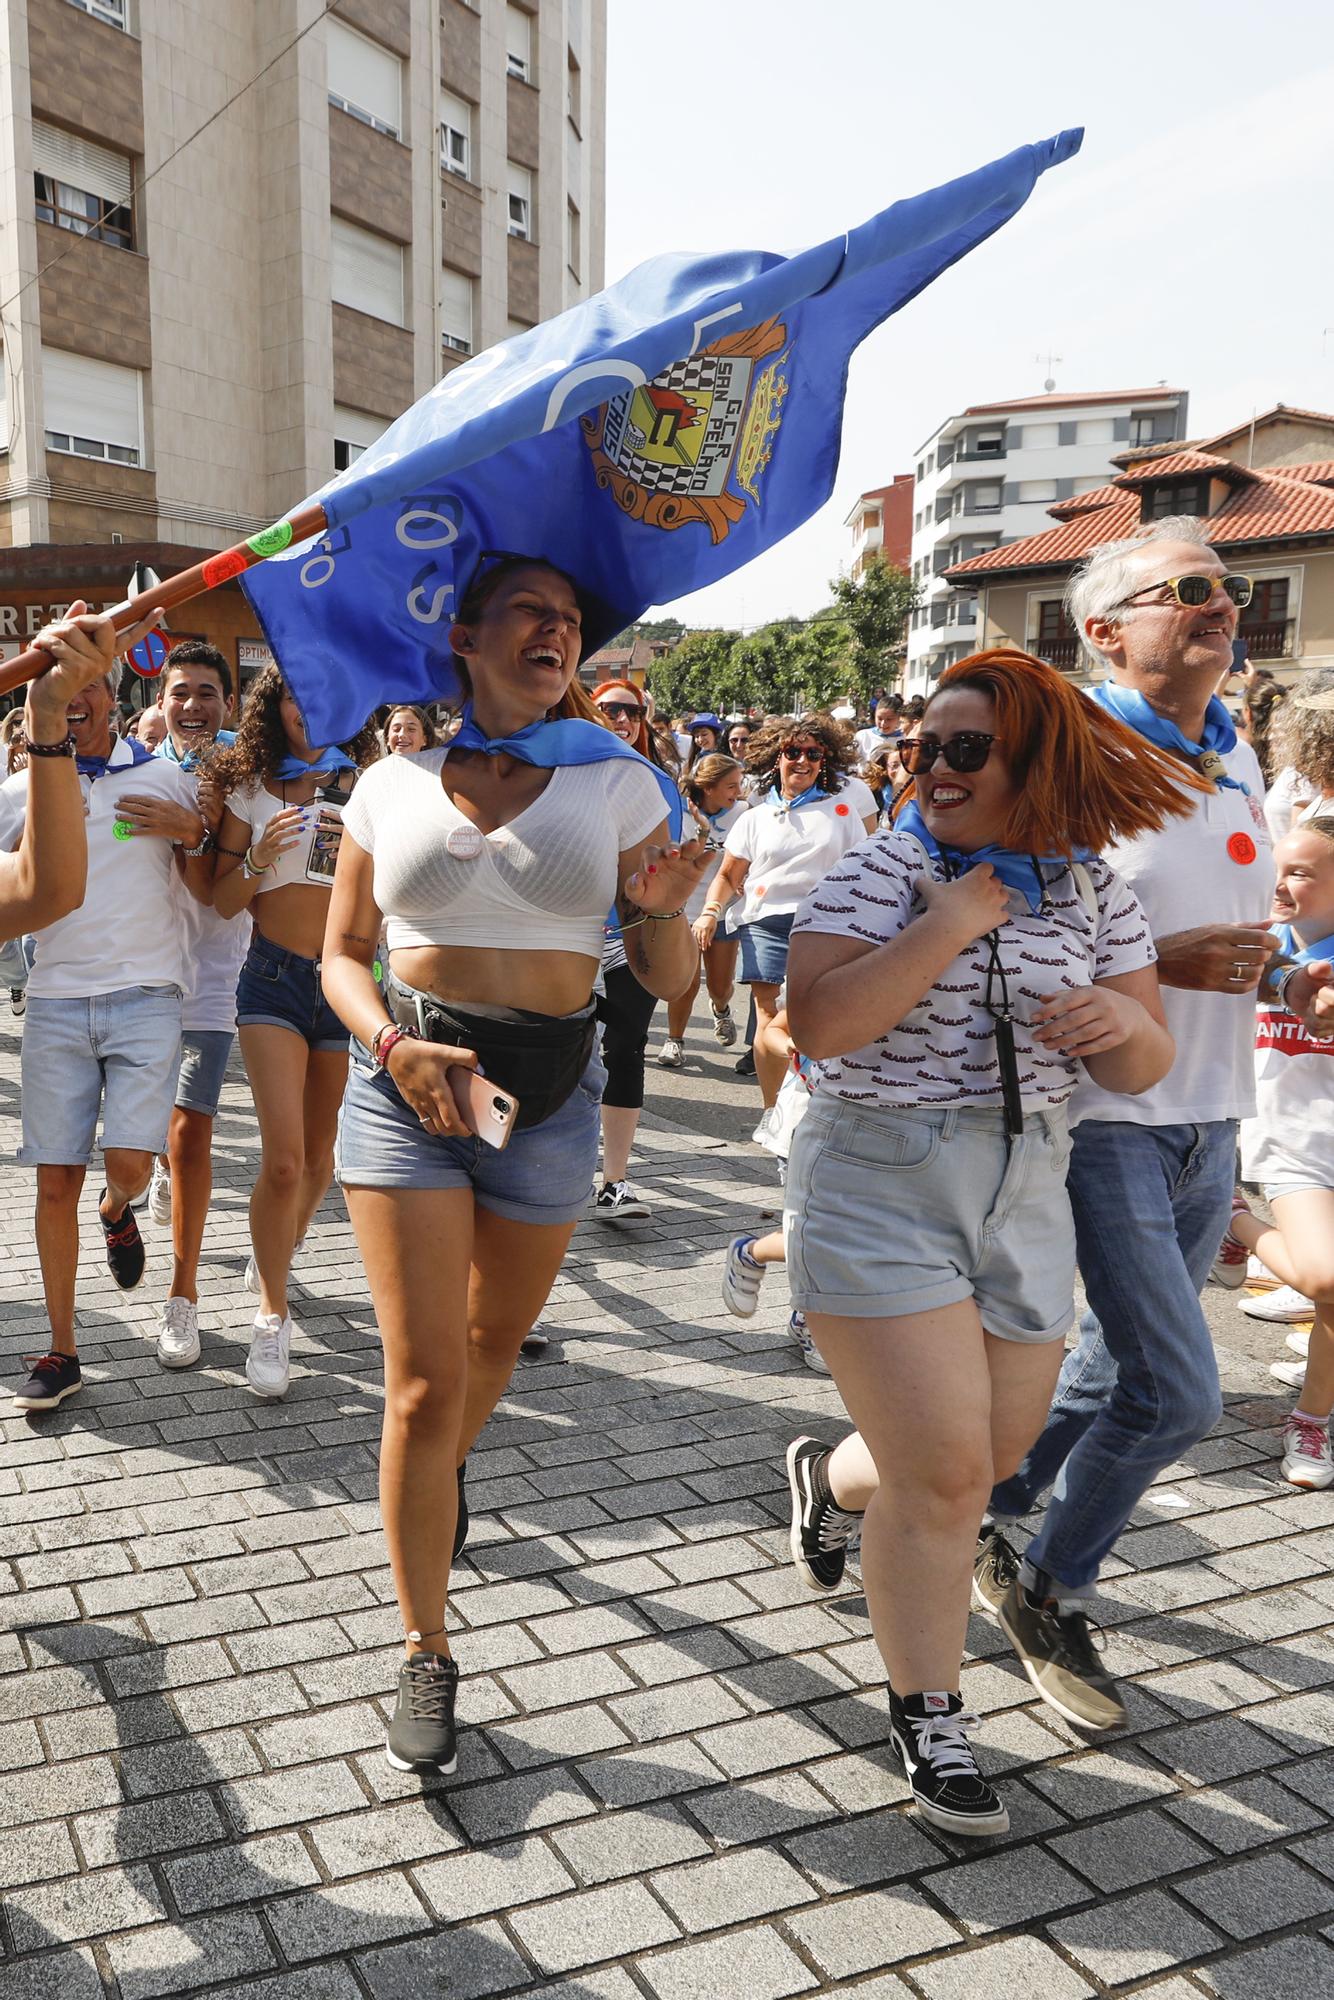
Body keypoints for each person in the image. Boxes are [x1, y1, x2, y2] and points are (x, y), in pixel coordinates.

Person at [780, 647, 1189, 1834]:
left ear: (1033, 761)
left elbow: (1143, 1056)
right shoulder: (879, 870)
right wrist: (948, 922)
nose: (934, 767)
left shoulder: (1093, 888)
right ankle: (928, 1711)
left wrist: (1119, 1017)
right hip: (879, 1178)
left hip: (1027, 1181)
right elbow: (821, 1024)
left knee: (984, 1454)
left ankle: (829, 1478)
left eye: (966, 748)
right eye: (924, 746)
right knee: (949, 1478)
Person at [319, 554, 706, 1775]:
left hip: (545, 1099)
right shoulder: (389, 782)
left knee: (489, 1354)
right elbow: (338, 954)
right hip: (405, 1087)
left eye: (571, 621)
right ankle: (425, 1646)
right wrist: (388, 1043)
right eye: (531, 614)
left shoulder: (620, 781)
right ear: (467, 637)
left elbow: (669, 981)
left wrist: (654, 909)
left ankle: (432, 1482)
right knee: (424, 1383)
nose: (557, 632)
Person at [970, 522, 1334, 1736]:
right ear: (1103, 630)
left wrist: (1282, 979)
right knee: (1175, 1394)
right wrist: (1163, 959)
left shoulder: (1229, 749)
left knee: (1107, 1368)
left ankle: (961, 1498)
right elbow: (998, 923)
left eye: (1224, 589)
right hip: (1106, 1111)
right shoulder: (1065, 745)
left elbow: (1232, 916)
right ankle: (1049, 1582)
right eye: (1184, 590)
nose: (1217, 607)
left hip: (1210, 1113)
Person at [4, 612, 216, 1414]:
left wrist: (196, 831)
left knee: (128, 1164)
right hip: (56, 1002)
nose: (76, 695)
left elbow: (214, 892)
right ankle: (62, 1349)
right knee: (53, 1180)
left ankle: (119, 1205)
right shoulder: (20, 791)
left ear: (113, 692)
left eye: (90, 678)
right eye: (60, 681)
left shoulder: (165, 779)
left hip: (147, 999)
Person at [211, 667, 378, 1398]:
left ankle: (276, 1247)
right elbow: (220, 901)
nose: (306, 710)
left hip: (342, 987)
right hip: (273, 980)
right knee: (282, 1163)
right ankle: (271, 1314)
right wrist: (257, 854)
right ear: (272, 707)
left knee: (317, 1164)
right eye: (291, 696)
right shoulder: (251, 786)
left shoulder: (364, 784)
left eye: (319, 694)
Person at [1212, 818, 1334, 1487]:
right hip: (1295, 1148)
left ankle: (1310, 1422)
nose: (1280, 885)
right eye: (1276, 868)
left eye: (1301, 872)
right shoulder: (1253, 943)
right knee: (1325, 1280)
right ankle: (1237, 1220)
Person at [145, 644, 252, 1370]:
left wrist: (208, 827)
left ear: (230, 703)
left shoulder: (249, 778)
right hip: (141, 972)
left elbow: (228, 881)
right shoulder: (138, 767)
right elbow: (120, 837)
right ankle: (139, 1181)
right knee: (149, 1136)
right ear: (160, 699)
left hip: (214, 976)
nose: (193, 706)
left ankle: (182, 1299)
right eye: (181, 692)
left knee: (191, 1136)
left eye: (207, 693)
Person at [694, 713, 875, 1110]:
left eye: (813, 753)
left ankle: (812, 1097)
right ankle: (772, 1110)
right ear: (776, 758)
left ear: (823, 761)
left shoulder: (842, 810)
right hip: (765, 919)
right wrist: (710, 911)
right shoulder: (755, 817)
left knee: (808, 1014)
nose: (803, 760)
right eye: (793, 751)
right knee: (766, 1013)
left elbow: (866, 871)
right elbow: (728, 874)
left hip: (825, 923)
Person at [587, 678, 680, 1218]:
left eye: (630, 711)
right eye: (608, 710)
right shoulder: (560, 771)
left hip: (629, 936)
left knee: (624, 1049)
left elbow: (663, 862)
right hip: (568, 936)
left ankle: (614, 1180)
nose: (620, 718)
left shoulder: (657, 783)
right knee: (562, 1048)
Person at [659, 752, 746, 1065]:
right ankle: (674, 1040)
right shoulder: (678, 811)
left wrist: (746, 876)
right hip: (684, 909)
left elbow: (753, 854)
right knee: (687, 981)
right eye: (731, 786)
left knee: (720, 986)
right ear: (709, 788)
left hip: (722, 908)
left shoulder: (743, 814)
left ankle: (721, 1009)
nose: (738, 793)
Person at [853, 693, 904, 766]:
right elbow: (852, 762)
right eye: (879, 718)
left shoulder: (904, 739)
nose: (883, 723)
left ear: (898, 718)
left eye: (889, 719)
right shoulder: (862, 736)